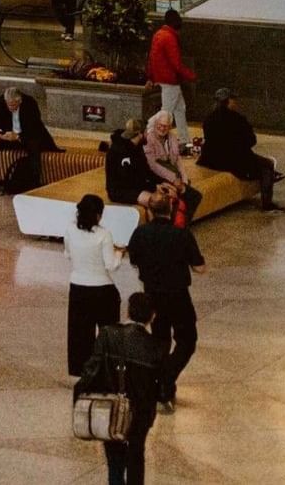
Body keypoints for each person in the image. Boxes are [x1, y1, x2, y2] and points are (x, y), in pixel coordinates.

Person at [126, 190, 204, 408]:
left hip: (153, 296)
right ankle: (166, 379)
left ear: (149, 211)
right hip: (178, 295)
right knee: (187, 340)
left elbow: (134, 260)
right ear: (171, 210)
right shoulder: (181, 234)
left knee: (160, 340)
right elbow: (199, 267)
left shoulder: (140, 233)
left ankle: (162, 384)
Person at [77, 291, 165, 485]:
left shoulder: (107, 334)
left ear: (128, 311)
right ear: (152, 316)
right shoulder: (156, 347)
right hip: (140, 413)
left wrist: (79, 395)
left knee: (114, 454)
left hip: (110, 406)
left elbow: (92, 370)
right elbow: (160, 387)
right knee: (136, 453)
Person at [65, 193, 125, 378]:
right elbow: (111, 265)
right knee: (108, 333)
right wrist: (119, 253)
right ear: (98, 215)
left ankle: (80, 370)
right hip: (102, 289)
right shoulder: (104, 235)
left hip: (78, 287)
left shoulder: (70, 230)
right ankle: (108, 370)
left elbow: (68, 254)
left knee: (79, 333)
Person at [200, 88, 284, 212]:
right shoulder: (238, 119)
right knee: (268, 165)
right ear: (228, 101)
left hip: (211, 159)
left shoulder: (208, 119)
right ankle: (267, 204)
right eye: (233, 99)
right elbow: (251, 141)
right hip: (234, 160)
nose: (236, 102)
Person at [0, 86, 56, 192]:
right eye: (9, 105)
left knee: (33, 144)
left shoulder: (30, 104)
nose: (10, 107)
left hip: (27, 136)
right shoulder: (0, 102)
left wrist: (17, 136)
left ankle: (35, 182)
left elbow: (34, 129)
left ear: (20, 101)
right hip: (8, 137)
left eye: (13, 105)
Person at [141, 110, 202, 219]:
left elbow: (178, 160)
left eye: (165, 126)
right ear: (155, 124)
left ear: (169, 127)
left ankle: (182, 221)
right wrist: (173, 179)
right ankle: (177, 222)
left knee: (194, 195)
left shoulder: (172, 137)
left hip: (174, 175)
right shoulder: (149, 139)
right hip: (157, 177)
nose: (162, 128)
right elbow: (153, 165)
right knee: (179, 194)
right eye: (160, 125)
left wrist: (184, 178)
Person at [147, 9, 195, 139]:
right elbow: (176, 63)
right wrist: (191, 76)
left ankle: (184, 139)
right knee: (166, 112)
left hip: (161, 77)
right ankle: (147, 131)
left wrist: (150, 76)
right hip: (170, 80)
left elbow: (151, 57)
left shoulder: (158, 34)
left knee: (179, 109)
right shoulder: (170, 38)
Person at [106, 116, 155, 205]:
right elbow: (128, 180)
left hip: (134, 187)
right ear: (140, 134)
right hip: (119, 191)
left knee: (169, 193)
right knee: (155, 201)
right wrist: (152, 187)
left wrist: (161, 183)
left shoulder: (138, 147)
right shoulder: (119, 150)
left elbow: (146, 171)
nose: (148, 134)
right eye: (146, 132)